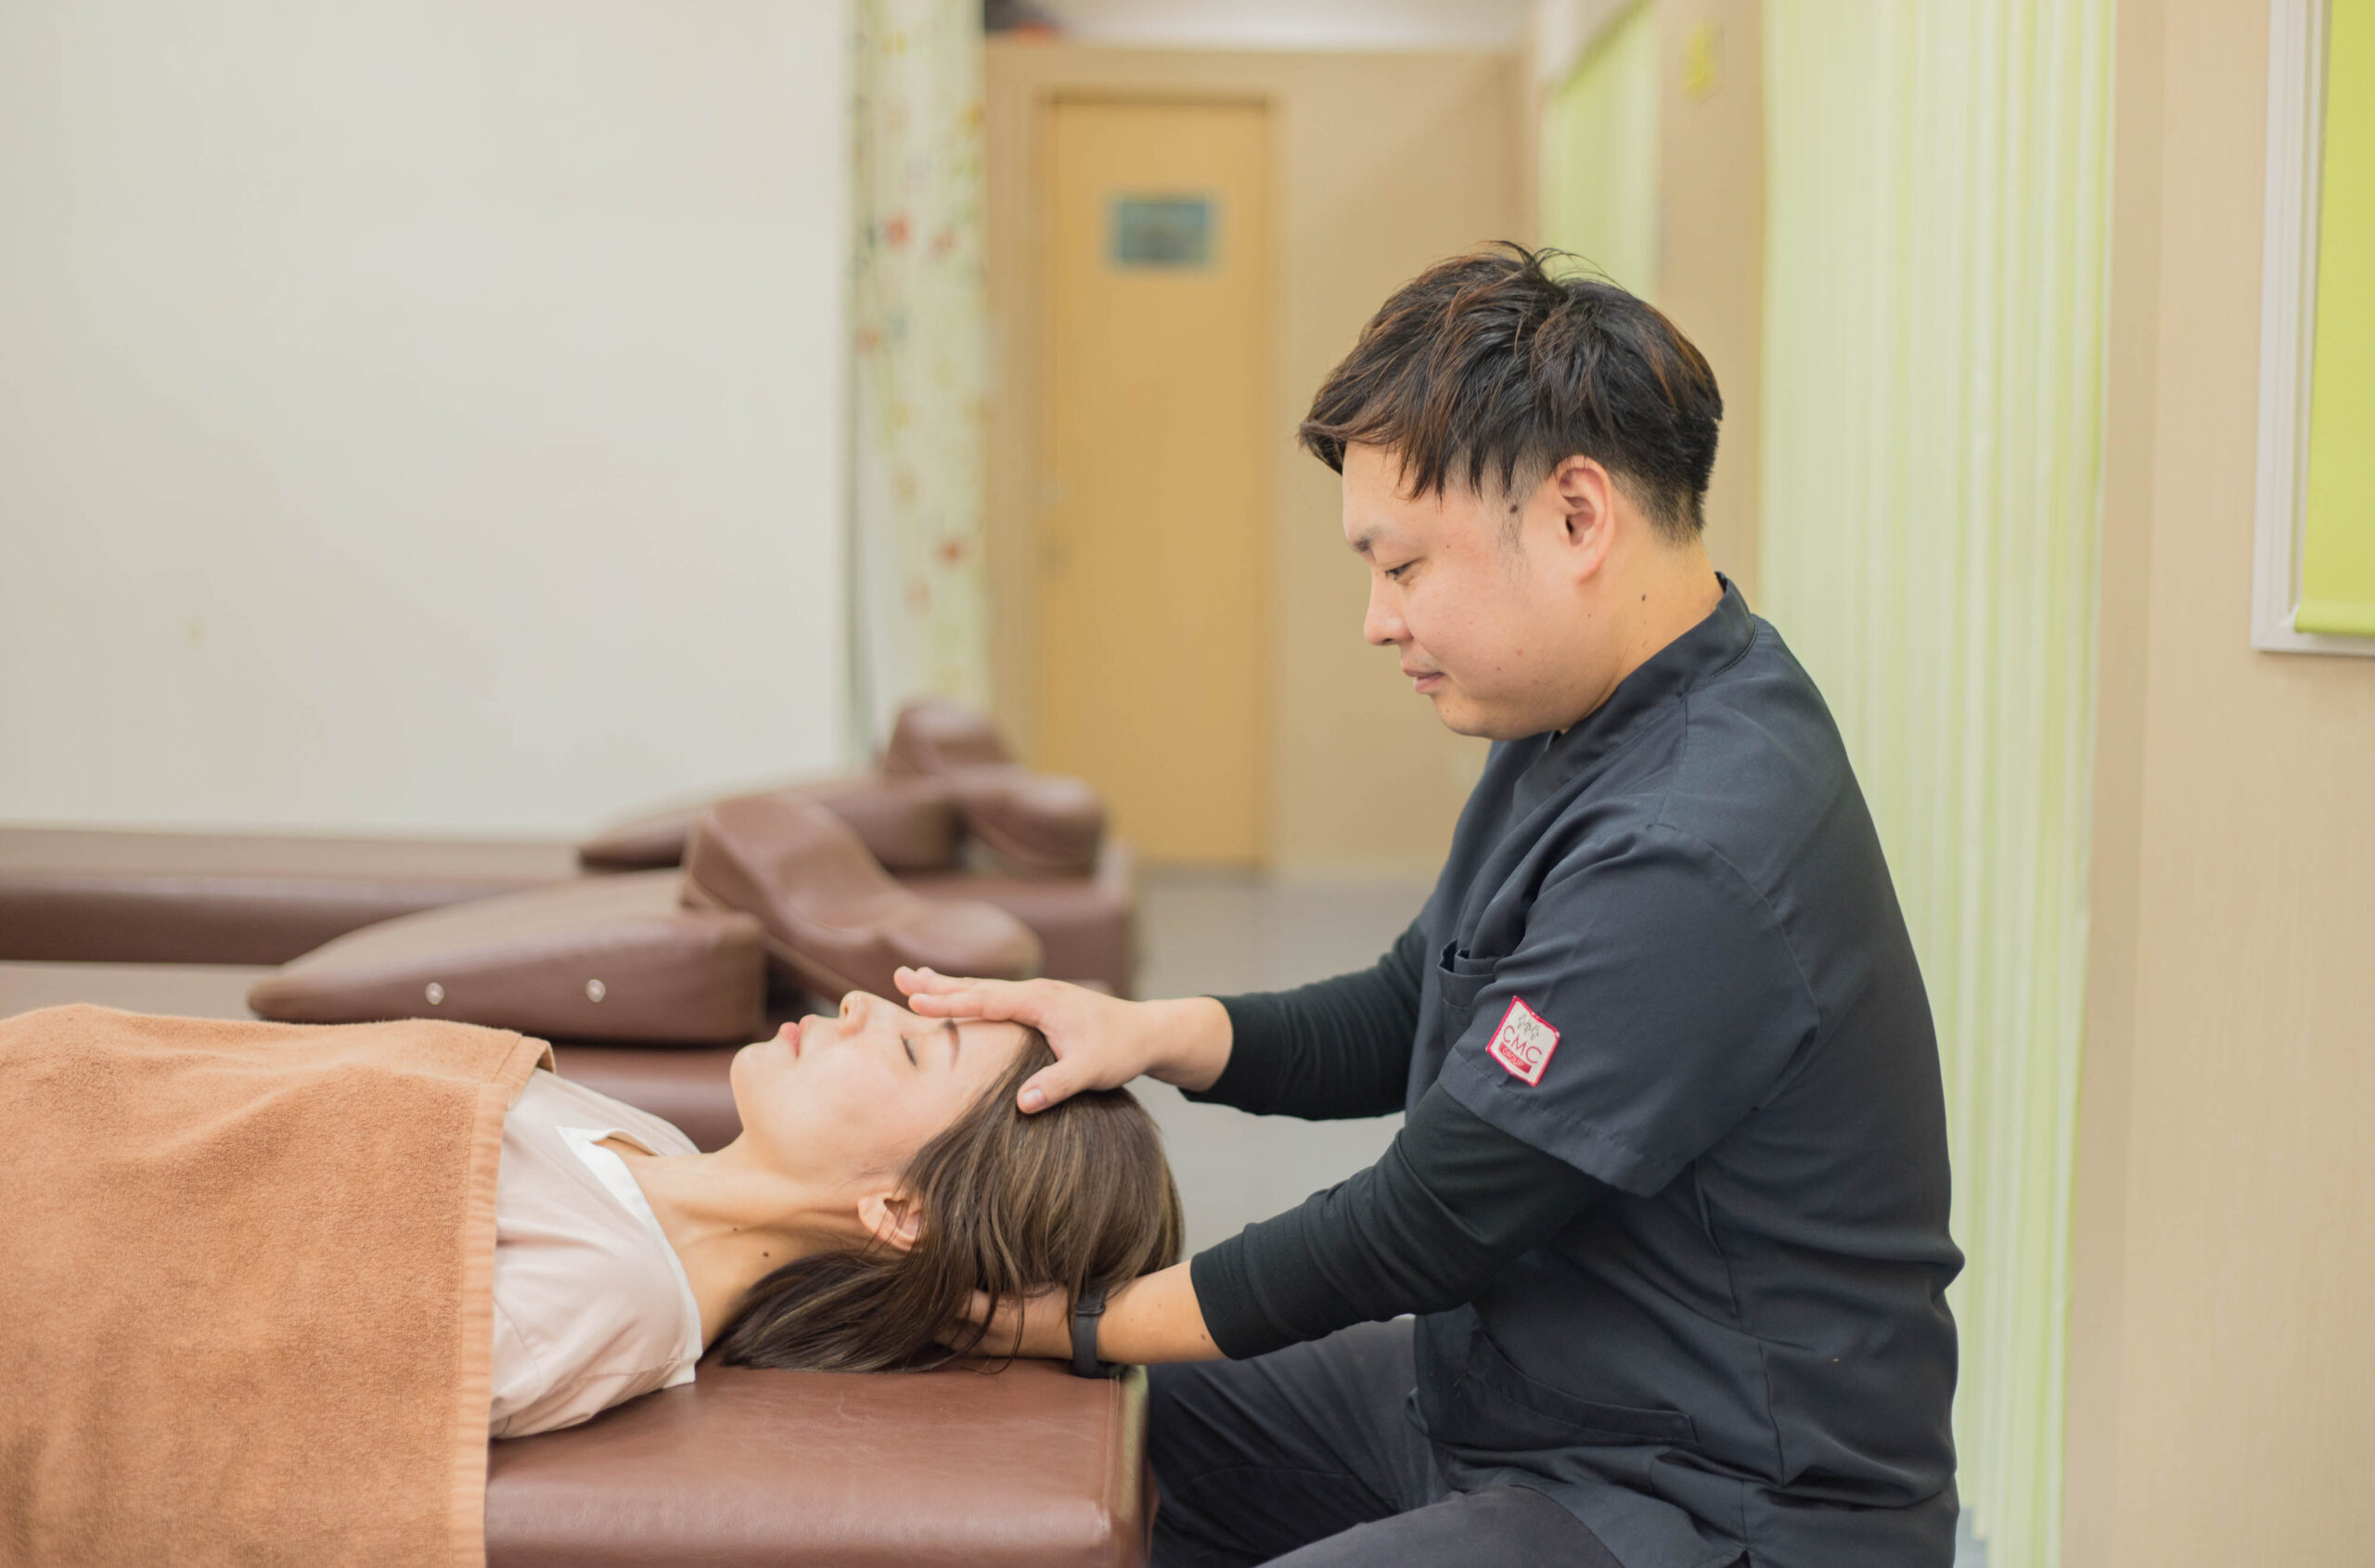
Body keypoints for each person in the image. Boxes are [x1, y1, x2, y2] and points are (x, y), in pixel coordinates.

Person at [899, 246, 1962, 1567]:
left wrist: (1070, 1312)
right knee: (1123, 1431)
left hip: (1711, 1499)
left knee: (1100, 1360)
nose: (1374, 619)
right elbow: (1418, 999)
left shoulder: (1696, 840)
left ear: (1578, 519)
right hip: (1523, 1401)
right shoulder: (1589, 708)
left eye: (1401, 566)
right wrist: (1154, 1030)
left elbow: (1425, 1218)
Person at [493, 988, 1183, 1435]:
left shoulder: (610, 1289)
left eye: (913, 1047)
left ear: (901, 1212)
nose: (859, 1002)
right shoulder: (656, 1145)